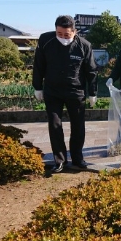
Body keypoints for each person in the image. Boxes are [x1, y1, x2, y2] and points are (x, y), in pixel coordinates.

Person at [32, 15, 98, 173]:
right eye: (59, 34)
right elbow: (39, 64)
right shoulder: (45, 40)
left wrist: (92, 92)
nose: (62, 37)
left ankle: (77, 158)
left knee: (78, 125)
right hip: (52, 90)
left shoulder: (84, 45)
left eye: (66, 34)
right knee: (55, 125)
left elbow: (92, 70)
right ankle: (59, 160)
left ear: (74, 32)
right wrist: (37, 87)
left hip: (75, 91)